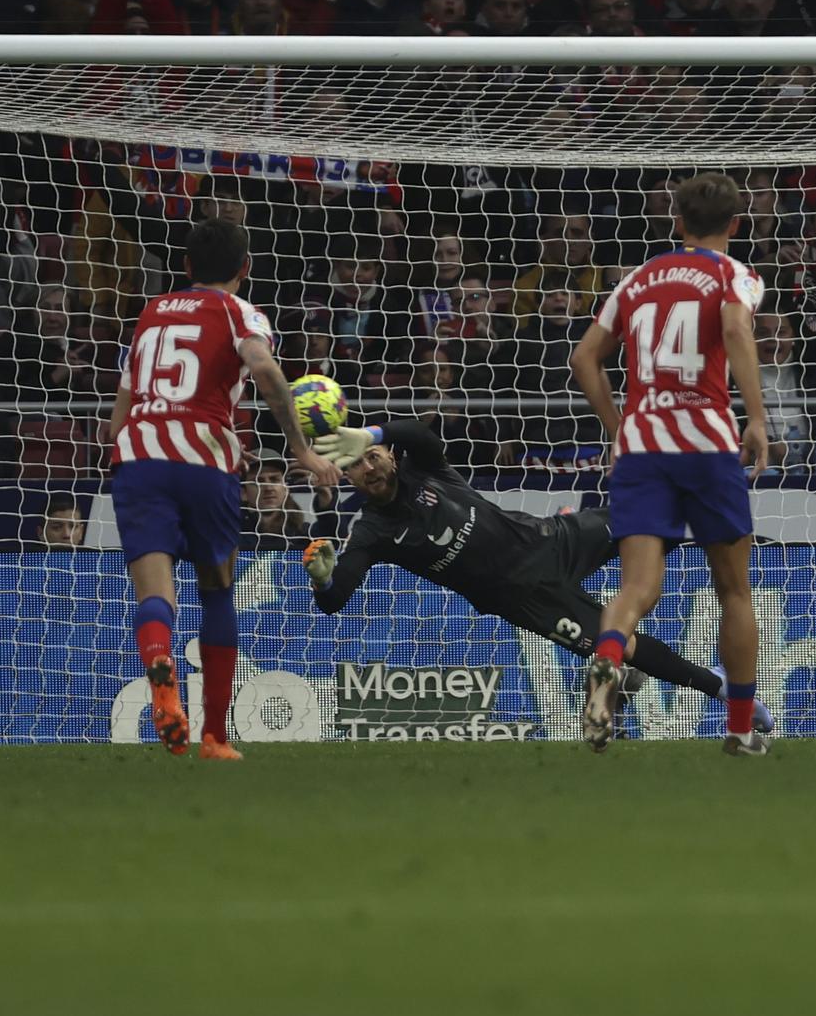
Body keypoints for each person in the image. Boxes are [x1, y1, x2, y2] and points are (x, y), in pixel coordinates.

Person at [302, 418, 772, 732]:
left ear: (388, 455)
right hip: (525, 599)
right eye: (356, 467)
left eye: (372, 456)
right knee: (621, 646)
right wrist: (324, 579)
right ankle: (728, 692)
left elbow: (423, 437)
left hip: (551, 540)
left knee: (649, 519)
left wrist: (369, 431)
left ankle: (723, 474)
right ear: (347, 480)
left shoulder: (426, 472)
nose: (368, 469)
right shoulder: (371, 532)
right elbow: (335, 599)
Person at [106, 219, 341, 761]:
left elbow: (116, 420)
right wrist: (301, 449)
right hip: (204, 452)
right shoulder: (241, 312)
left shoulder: (149, 315)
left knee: (154, 593)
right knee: (216, 588)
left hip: (139, 453)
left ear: (185, 268)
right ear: (245, 268)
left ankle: (160, 667)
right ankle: (213, 737)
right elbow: (263, 369)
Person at [568, 173, 771, 756]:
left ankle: (608, 659)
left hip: (642, 447)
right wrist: (755, 418)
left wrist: (619, 427)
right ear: (735, 226)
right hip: (706, 443)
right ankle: (739, 729)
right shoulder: (733, 273)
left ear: (676, 222)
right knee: (733, 590)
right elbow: (734, 326)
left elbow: (584, 358)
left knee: (637, 586)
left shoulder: (634, 281)